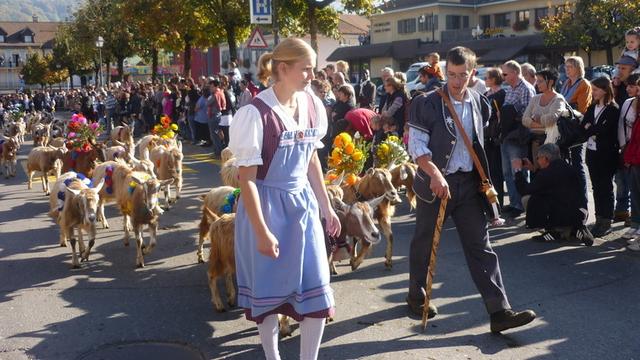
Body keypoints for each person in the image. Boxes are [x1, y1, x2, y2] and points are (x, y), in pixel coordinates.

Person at [407, 46, 536, 333]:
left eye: (462, 75)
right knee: (425, 243)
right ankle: (417, 295)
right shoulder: (426, 102)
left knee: (481, 247)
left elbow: (479, 140)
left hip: (468, 184)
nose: (456, 81)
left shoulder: (480, 101)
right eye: (451, 74)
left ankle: (499, 311)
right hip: (435, 182)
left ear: (472, 72)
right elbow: (416, 145)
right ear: (445, 72)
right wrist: (435, 174)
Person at [229, 38, 340, 360]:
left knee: (316, 292)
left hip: (301, 207)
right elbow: (246, 181)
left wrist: (326, 206)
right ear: (282, 69)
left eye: (312, 69)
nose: (311, 76)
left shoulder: (312, 104)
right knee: (269, 297)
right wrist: (262, 231)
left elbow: (311, 159)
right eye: (305, 69)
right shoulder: (254, 113)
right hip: (265, 208)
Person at [513, 143, 594, 246]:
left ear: (545, 158)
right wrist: (534, 169)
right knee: (558, 199)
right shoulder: (568, 167)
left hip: (561, 216)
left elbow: (524, 190)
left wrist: (517, 170)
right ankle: (575, 229)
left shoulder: (547, 174)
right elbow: (550, 183)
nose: (537, 160)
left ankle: (554, 231)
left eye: (538, 158)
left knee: (528, 199)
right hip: (580, 213)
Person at [581, 76, 620, 237]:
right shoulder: (592, 107)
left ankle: (606, 221)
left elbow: (604, 131)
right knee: (596, 187)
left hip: (606, 154)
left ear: (605, 90)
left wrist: (593, 129)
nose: (594, 92)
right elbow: (584, 127)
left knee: (606, 187)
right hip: (592, 153)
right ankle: (598, 219)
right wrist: (593, 129)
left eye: (596, 89)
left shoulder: (612, 109)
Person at [500, 60, 536, 218]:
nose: (503, 76)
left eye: (505, 74)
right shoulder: (509, 89)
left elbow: (529, 115)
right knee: (507, 172)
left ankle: (521, 204)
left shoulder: (526, 88)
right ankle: (514, 203)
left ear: (515, 72)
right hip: (507, 135)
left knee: (518, 171)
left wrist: (510, 115)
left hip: (518, 136)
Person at [522, 69, 565, 161]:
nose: (537, 83)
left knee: (550, 171)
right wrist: (543, 123)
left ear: (551, 82)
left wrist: (534, 119)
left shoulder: (558, 99)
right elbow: (525, 119)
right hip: (535, 142)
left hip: (551, 144)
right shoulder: (535, 98)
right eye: (537, 81)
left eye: (540, 81)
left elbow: (551, 119)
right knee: (536, 171)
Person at [618, 73, 640, 242]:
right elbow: (622, 127)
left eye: (632, 86)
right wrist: (624, 149)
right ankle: (635, 225)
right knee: (633, 190)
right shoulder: (628, 103)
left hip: (636, 153)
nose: (629, 89)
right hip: (630, 151)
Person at [484, 68, 506, 207]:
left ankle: (499, 202)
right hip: (486, 134)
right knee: (489, 170)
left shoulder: (502, 93)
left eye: (487, 78)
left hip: (496, 135)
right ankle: (490, 201)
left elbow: (500, 115)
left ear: (493, 79)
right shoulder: (487, 94)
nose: (485, 80)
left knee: (496, 171)